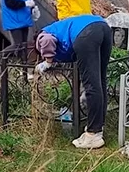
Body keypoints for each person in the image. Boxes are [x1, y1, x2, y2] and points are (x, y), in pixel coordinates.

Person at [35, 14, 112, 149]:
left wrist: (47, 62)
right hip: (103, 27)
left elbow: (46, 40)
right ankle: (97, 129)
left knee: (91, 85)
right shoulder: (60, 29)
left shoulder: (44, 33)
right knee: (100, 81)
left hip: (86, 33)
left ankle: (92, 134)